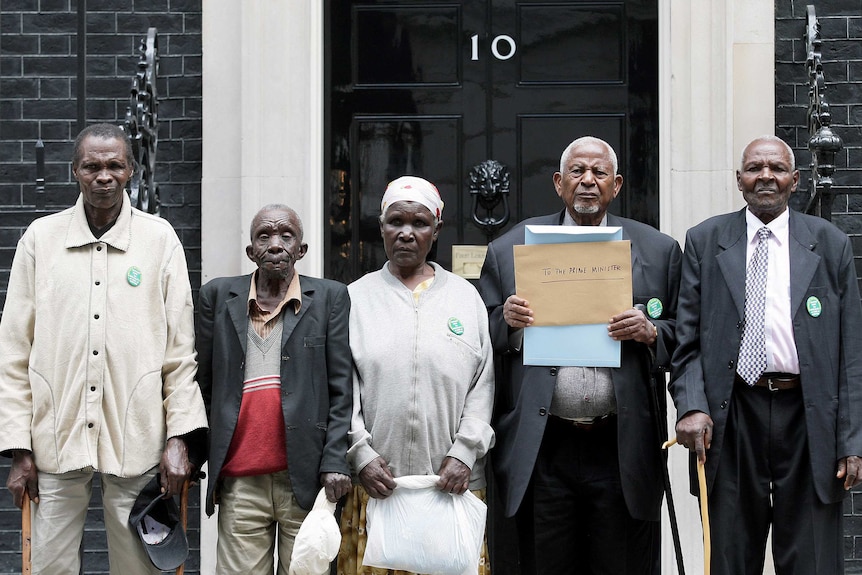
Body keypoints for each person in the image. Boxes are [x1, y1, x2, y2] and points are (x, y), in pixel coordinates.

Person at [0, 122, 208, 574]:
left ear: (130, 170)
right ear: (75, 170)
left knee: (139, 568)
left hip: (138, 443)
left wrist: (179, 439)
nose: (104, 175)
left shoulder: (159, 241)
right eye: (92, 166)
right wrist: (18, 448)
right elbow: (14, 354)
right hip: (52, 442)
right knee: (48, 568)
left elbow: (180, 354)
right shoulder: (40, 240)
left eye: (114, 165)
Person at [478, 136, 682, 575]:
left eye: (599, 173)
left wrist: (651, 332)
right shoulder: (509, 251)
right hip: (544, 446)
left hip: (621, 446)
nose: (588, 181)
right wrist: (508, 324)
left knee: (620, 563)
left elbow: (684, 335)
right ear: (558, 182)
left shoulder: (659, 251)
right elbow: (482, 341)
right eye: (577, 172)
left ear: (617, 184)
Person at [670, 135, 862, 574]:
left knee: (811, 556)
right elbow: (686, 341)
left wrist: (851, 441)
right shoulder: (705, 240)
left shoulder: (830, 244)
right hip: (733, 413)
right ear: (739, 180)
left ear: (795, 180)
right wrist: (692, 406)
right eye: (755, 168)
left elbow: (851, 350)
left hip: (808, 416)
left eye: (776, 169)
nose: (766, 177)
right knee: (731, 554)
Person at [337, 176, 495, 575]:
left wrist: (464, 453)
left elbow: (483, 384)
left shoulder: (465, 297)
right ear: (382, 227)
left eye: (419, 223)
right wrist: (362, 455)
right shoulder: (355, 298)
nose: (406, 233)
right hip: (376, 489)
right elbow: (342, 387)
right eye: (396, 222)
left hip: (450, 488)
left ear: (436, 230)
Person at [195, 204, 352, 574]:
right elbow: (200, 384)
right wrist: (190, 451)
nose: (275, 244)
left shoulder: (330, 298)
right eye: (264, 236)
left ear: (302, 249)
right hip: (240, 479)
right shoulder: (217, 296)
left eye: (286, 236)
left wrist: (334, 460)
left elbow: (342, 389)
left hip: (306, 477)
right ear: (251, 252)